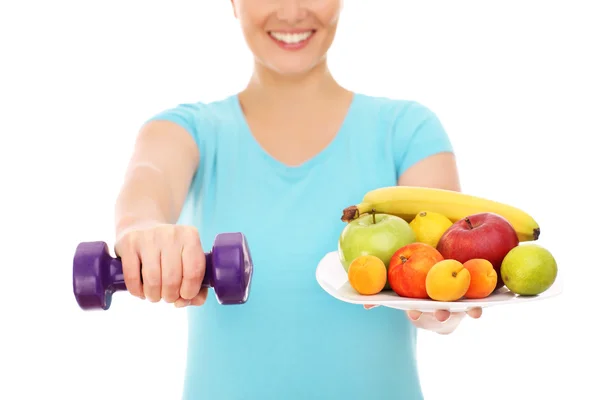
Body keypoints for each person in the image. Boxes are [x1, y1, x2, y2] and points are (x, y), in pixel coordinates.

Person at [113, 1, 482, 399]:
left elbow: (444, 264)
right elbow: (150, 177)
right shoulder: (186, 130)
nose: (291, 11)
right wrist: (142, 228)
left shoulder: (409, 131)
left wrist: (440, 312)